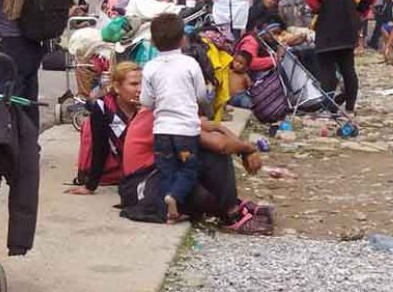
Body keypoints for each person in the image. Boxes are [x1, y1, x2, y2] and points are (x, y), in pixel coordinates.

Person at [122, 108, 264, 229]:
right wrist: (248, 148)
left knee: (197, 161)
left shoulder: (168, 108)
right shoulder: (163, 114)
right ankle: (232, 213)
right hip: (144, 187)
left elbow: (212, 129)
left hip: (155, 178)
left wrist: (239, 145)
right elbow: (220, 145)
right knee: (210, 154)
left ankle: (231, 205)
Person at [140, 13, 207, 222]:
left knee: (166, 170)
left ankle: (168, 213)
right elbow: (201, 95)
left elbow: (147, 101)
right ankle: (174, 196)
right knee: (189, 167)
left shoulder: (150, 67)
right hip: (186, 131)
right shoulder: (190, 64)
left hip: (162, 131)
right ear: (182, 39)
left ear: (152, 41)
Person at [304, 0, 372, 114]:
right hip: (348, 30)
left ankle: (328, 108)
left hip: (328, 31)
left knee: (327, 71)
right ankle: (350, 107)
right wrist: (358, 13)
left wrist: (320, 8)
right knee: (348, 69)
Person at [68, 62, 142, 195]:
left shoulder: (148, 107)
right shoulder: (103, 107)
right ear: (117, 87)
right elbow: (100, 147)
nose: (140, 89)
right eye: (133, 84)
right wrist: (90, 186)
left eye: (142, 84)